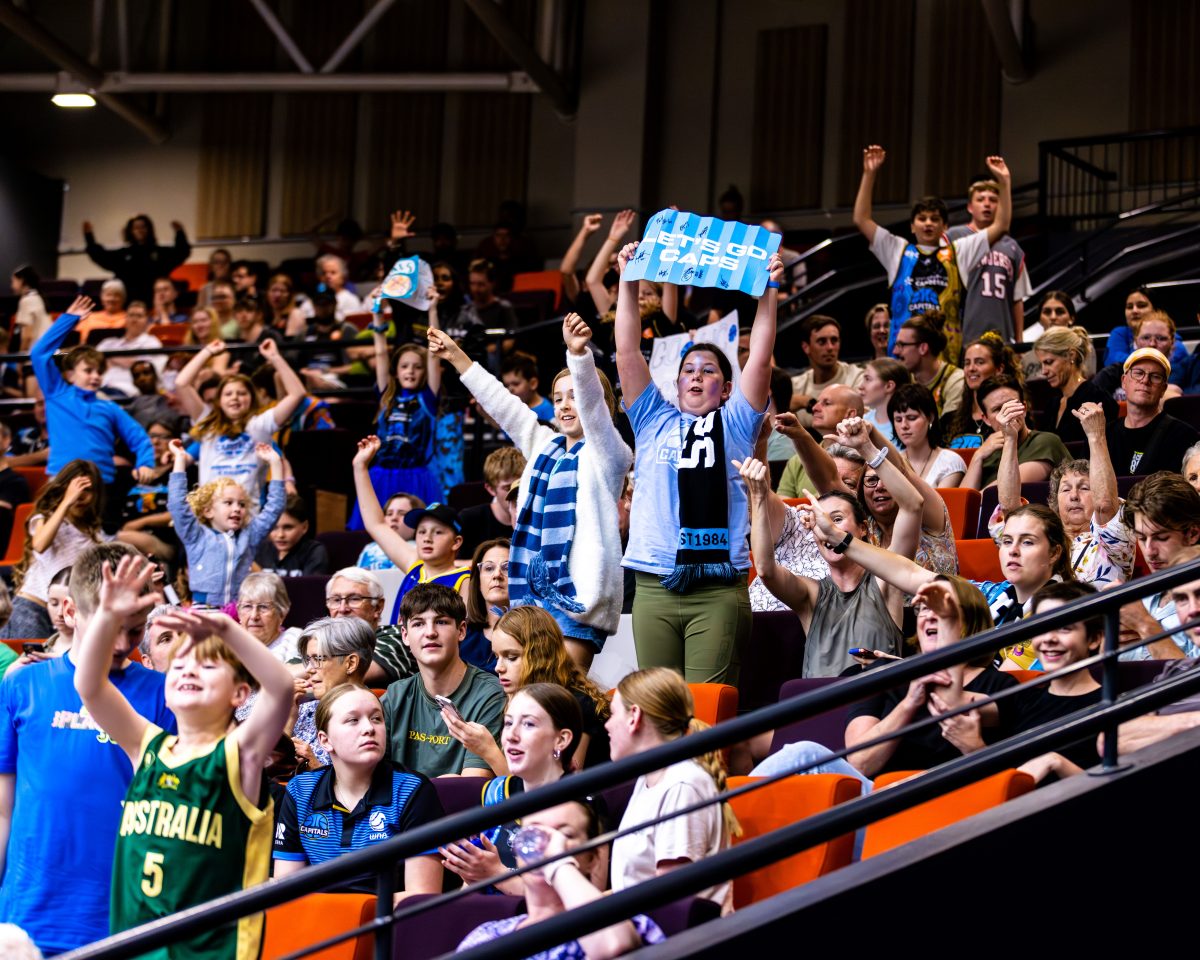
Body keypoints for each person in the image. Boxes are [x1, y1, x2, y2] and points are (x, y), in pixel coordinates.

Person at [73, 555, 292, 956]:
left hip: (212, 952)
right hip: (132, 946)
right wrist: (107, 615)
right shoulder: (146, 746)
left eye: (207, 666)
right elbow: (89, 685)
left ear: (239, 694)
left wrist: (226, 627)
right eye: (179, 667)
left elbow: (280, 687)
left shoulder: (239, 754)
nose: (188, 672)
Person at [616, 238, 781, 684]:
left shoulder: (739, 421)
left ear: (726, 388)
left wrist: (768, 291)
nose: (696, 376)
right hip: (654, 584)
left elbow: (761, 356)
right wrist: (627, 282)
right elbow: (629, 353)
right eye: (689, 370)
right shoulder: (651, 418)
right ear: (676, 382)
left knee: (706, 716)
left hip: (718, 590)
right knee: (660, 714)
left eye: (708, 370)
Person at [0, 542, 174, 956]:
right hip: (27, 907)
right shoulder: (22, 685)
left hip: (122, 905)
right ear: (70, 613)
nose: (121, 644)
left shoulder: (164, 695)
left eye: (135, 630)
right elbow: (3, 808)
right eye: (110, 627)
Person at [432, 314, 632, 669]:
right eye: (558, 399)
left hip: (579, 597)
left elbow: (594, 410)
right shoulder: (545, 446)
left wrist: (579, 357)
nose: (566, 405)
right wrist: (457, 357)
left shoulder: (610, 454)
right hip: (533, 597)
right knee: (535, 695)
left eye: (574, 397)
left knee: (562, 695)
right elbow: (503, 404)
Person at [755, 576, 1015, 780]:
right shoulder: (884, 675)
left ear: (970, 618)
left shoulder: (1000, 685)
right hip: (879, 795)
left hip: (953, 793)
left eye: (940, 607)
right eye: (923, 608)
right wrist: (908, 704)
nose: (930, 615)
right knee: (800, 755)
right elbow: (860, 762)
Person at [813, 494, 1075, 669]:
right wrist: (840, 540)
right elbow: (908, 573)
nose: (1013, 551)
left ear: (1054, 552)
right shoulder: (989, 595)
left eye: (1027, 542)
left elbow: (1003, 683)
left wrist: (908, 671)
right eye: (1007, 542)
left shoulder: (1066, 608)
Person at [744, 454, 908, 677]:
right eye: (822, 523)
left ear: (863, 529)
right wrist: (758, 497)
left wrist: (870, 449)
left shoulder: (885, 579)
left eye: (837, 519)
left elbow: (913, 506)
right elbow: (765, 569)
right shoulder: (812, 593)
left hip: (873, 703)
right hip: (820, 705)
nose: (829, 530)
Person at [274, 682, 445, 895]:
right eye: (353, 720)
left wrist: (351, 913)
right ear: (325, 740)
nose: (369, 728)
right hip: (314, 922)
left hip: (388, 924)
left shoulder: (413, 790)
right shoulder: (301, 790)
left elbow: (421, 897)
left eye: (376, 719)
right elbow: (285, 891)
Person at [455, 798, 665, 960]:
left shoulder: (629, 924)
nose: (543, 844)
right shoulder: (489, 936)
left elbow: (613, 945)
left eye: (565, 835)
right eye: (533, 833)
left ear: (593, 858)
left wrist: (557, 863)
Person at [854, 145, 1012, 360]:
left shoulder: (960, 252)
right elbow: (861, 219)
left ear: (945, 227)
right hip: (902, 362)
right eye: (922, 218)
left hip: (944, 360)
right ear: (912, 226)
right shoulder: (897, 250)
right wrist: (869, 173)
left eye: (935, 219)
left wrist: (1004, 182)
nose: (928, 223)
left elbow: (1001, 225)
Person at [606, 667, 739, 913]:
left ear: (634, 716)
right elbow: (633, 887)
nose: (607, 725)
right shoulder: (649, 779)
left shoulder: (682, 785)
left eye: (612, 714)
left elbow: (670, 903)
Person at [438, 683, 583, 894]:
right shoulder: (496, 790)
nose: (511, 736)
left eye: (528, 724)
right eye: (508, 723)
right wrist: (470, 871)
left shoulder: (581, 808)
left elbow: (575, 899)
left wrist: (496, 873)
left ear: (561, 739)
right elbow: (472, 887)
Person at [959, 581, 1104, 783]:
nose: (1048, 639)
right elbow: (951, 701)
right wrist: (974, 748)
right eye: (1042, 627)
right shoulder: (1022, 698)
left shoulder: (1109, 706)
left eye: (1064, 627)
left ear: (1094, 639)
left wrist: (1056, 762)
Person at [990, 402, 1133, 590]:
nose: (1074, 495)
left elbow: (1105, 504)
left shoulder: (1112, 542)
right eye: (1065, 489)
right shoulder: (1040, 538)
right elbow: (1009, 508)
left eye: (1084, 488)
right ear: (1055, 500)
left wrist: (1096, 436)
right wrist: (1010, 439)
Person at [30, 296, 157, 500]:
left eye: (99, 371)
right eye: (88, 370)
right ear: (70, 374)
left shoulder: (110, 408)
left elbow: (139, 438)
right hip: (60, 481)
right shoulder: (57, 392)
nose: (96, 376)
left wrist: (145, 463)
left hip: (100, 485)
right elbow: (39, 353)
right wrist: (69, 319)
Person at [381, 583, 506, 778]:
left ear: (461, 630)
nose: (430, 632)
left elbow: (471, 786)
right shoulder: (395, 696)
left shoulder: (490, 695)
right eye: (418, 623)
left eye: (441, 622)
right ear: (405, 635)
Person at [173, 339, 306, 506]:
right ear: (219, 400)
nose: (235, 397)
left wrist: (274, 357)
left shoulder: (260, 425)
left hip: (249, 519)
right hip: (210, 519)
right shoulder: (208, 424)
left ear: (252, 398)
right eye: (228, 394)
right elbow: (181, 383)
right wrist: (207, 352)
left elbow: (297, 393)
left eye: (242, 393)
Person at [488, 606, 611, 770]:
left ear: (540, 656)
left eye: (511, 657)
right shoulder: (516, 700)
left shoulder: (578, 705)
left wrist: (489, 752)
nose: (498, 667)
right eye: (497, 657)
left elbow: (562, 788)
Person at [347, 316, 444, 527]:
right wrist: (377, 314)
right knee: (376, 526)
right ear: (396, 372)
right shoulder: (387, 399)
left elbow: (434, 357)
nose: (410, 371)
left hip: (415, 476)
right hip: (382, 475)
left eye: (417, 367)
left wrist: (433, 308)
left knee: (417, 527)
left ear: (425, 372)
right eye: (405, 366)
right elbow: (381, 353)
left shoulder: (426, 399)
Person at [167, 439, 285, 606]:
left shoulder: (249, 536)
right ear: (208, 511)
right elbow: (177, 504)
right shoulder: (196, 536)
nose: (237, 508)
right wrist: (179, 459)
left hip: (239, 611)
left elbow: (275, 507)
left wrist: (275, 462)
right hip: (204, 611)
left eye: (242, 504)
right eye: (228, 503)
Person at [1, 461, 110, 640]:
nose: (80, 496)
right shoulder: (45, 518)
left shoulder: (96, 533)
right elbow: (40, 544)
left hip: (66, 615)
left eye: (87, 490)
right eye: (75, 489)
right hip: (33, 609)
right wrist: (67, 501)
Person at [352, 443, 470, 600]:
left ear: (456, 542)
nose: (427, 538)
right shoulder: (414, 566)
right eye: (421, 532)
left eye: (438, 532)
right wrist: (360, 466)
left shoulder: (465, 580)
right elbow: (376, 524)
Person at [1118, 472, 1200, 660]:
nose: (1149, 551)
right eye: (1141, 538)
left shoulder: (1195, 602)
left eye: (1161, 538)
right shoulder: (1136, 599)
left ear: (1193, 533)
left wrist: (1145, 626)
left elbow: (1192, 680)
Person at [946, 176, 1031, 343]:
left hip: (1002, 335)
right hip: (963, 334)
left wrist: (1019, 341)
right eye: (980, 199)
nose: (987, 204)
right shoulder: (953, 237)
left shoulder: (1012, 247)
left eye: (993, 200)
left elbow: (1017, 298)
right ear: (970, 207)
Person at [289, 615, 376, 767]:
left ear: (350, 663)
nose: (308, 670)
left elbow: (364, 783)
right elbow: (271, 768)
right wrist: (289, 717)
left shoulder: (372, 718)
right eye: (308, 660)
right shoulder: (303, 709)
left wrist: (315, 767)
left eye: (318, 659)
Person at [1104, 348, 1199, 476]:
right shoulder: (1102, 435)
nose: (1145, 380)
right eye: (1138, 373)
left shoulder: (1185, 436)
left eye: (1155, 377)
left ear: (1163, 389)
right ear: (1124, 381)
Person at [961, 378, 1070, 490]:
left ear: (1024, 408)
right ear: (986, 419)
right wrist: (978, 456)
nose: (1007, 412)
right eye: (997, 409)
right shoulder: (988, 454)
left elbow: (1004, 491)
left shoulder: (1046, 442)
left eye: (1011, 404)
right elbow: (962, 501)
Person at [775, 384, 865, 498]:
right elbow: (784, 505)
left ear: (850, 414)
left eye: (826, 403)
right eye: (817, 402)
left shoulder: (869, 458)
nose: (814, 408)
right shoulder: (797, 460)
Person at [1033, 326, 1116, 446]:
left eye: (1049, 362)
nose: (1043, 371)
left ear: (1071, 355)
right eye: (1041, 364)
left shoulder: (1098, 398)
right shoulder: (1052, 405)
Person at [82, 215, 191, 304]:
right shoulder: (123, 254)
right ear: (131, 231)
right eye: (136, 227)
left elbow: (181, 253)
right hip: (128, 304)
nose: (140, 230)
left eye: (143, 227)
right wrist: (89, 236)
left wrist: (180, 233)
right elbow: (100, 256)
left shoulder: (160, 252)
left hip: (155, 303)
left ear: (149, 229)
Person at [945, 332, 1024, 449]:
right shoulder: (949, 420)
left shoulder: (1012, 415)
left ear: (999, 369)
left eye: (979, 362)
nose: (971, 368)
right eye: (967, 363)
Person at [788, 315, 864, 423]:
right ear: (806, 347)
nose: (830, 347)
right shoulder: (795, 386)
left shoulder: (857, 378)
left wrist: (808, 403)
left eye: (834, 340)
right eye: (822, 342)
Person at [889, 383, 965, 488]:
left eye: (911, 418)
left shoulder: (950, 462)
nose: (904, 425)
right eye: (898, 419)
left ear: (930, 418)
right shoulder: (890, 463)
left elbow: (941, 504)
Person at [890, 312, 965, 417]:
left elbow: (950, 430)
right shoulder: (902, 381)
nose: (895, 351)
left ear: (923, 348)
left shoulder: (955, 382)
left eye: (901, 345)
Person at [457, 447, 525, 558]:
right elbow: (448, 564)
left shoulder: (534, 520)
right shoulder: (469, 519)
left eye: (521, 486)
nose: (516, 494)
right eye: (507, 488)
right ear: (490, 489)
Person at [1103, 286, 1188, 368]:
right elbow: (1113, 361)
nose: (1134, 311)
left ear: (1155, 310)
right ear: (1135, 339)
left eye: (1141, 305)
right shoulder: (1120, 333)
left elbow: (1180, 357)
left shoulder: (1167, 333)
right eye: (1129, 307)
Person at [97, 301, 164, 397]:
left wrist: (110, 358)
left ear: (147, 321)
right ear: (125, 318)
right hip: (101, 387)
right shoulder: (109, 343)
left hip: (127, 392)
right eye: (131, 315)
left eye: (139, 316)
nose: (134, 319)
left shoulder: (152, 342)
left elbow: (146, 369)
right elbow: (95, 361)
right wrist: (122, 360)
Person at [463, 538, 510, 672]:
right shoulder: (461, 634)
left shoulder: (533, 634)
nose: (497, 575)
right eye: (489, 568)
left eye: (507, 567)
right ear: (477, 582)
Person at [254, 494, 330, 577]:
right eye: (274, 527)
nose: (280, 535)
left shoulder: (314, 552)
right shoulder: (259, 549)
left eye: (288, 527)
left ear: (304, 527)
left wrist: (261, 573)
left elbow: (309, 589)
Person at [356, 492, 421, 570]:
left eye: (402, 513)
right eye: (389, 514)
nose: (394, 518)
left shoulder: (422, 550)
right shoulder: (369, 549)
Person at [859, 357, 910, 445]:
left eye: (868, 379)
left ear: (889, 386)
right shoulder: (862, 422)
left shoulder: (908, 427)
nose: (860, 386)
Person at [501, 352, 556, 422]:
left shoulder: (547, 411)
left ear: (533, 384)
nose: (510, 389)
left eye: (516, 384)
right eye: (506, 385)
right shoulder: (514, 407)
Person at [10, 266, 50, 351]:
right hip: (44, 350)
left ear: (21, 280)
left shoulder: (26, 301)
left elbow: (27, 337)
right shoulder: (38, 297)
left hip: (33, 355)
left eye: (13, 281)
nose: (12, 285)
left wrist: (19, 362)